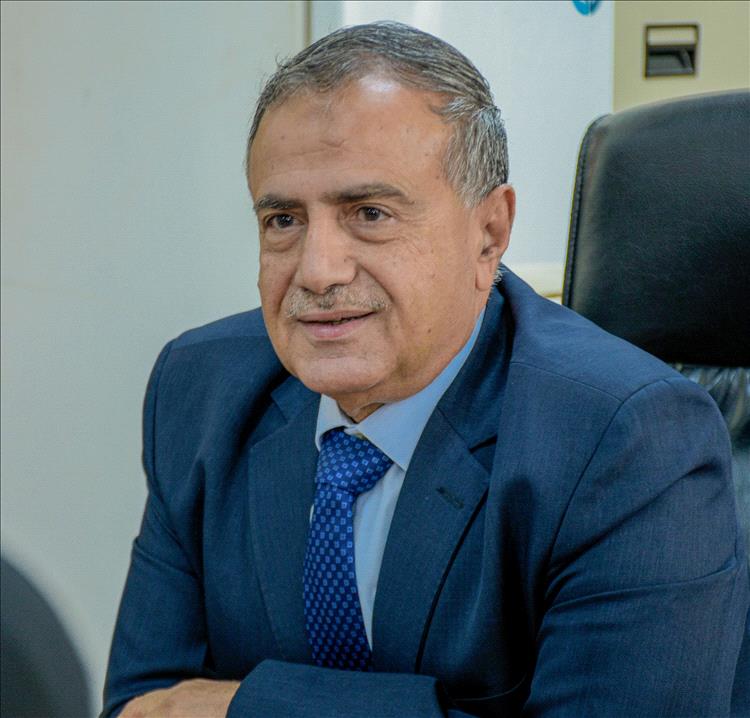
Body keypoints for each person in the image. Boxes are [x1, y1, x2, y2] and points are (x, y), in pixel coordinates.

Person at [104, 21, 748, 718]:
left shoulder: (627, 438)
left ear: (489, 234)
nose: (317, 271)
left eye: (370, 213)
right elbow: (142, 704)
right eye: (284, 220)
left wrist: (246, 706)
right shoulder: (201, 388)